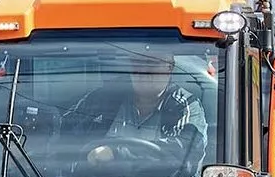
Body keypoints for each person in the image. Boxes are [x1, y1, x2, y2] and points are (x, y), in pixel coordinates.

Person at [64, 50, 209, 166]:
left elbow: (184, 154)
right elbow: (63, 132)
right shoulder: (104, 98)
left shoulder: (185, 105)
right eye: (137, 62)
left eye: (152, 63)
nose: (143, 70)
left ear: (169, 67)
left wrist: (115, 153)